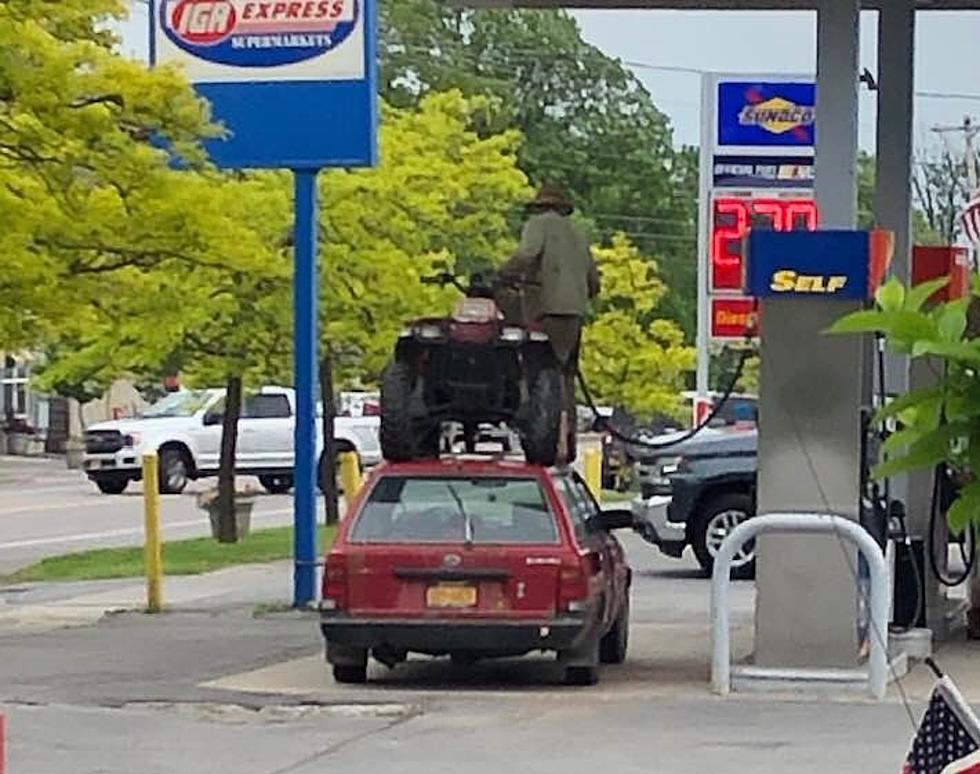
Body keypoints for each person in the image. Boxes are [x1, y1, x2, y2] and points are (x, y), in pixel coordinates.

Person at [500, 185, 600, 415]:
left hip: (545, 310)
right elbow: (594, 283)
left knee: (539, 373)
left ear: (540, 207)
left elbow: (527, 254)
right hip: (574, 314)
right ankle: (565, 436)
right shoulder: (579, 234)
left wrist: (503, 275)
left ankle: (540, 424)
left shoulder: (539, 224)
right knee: (564, 378)